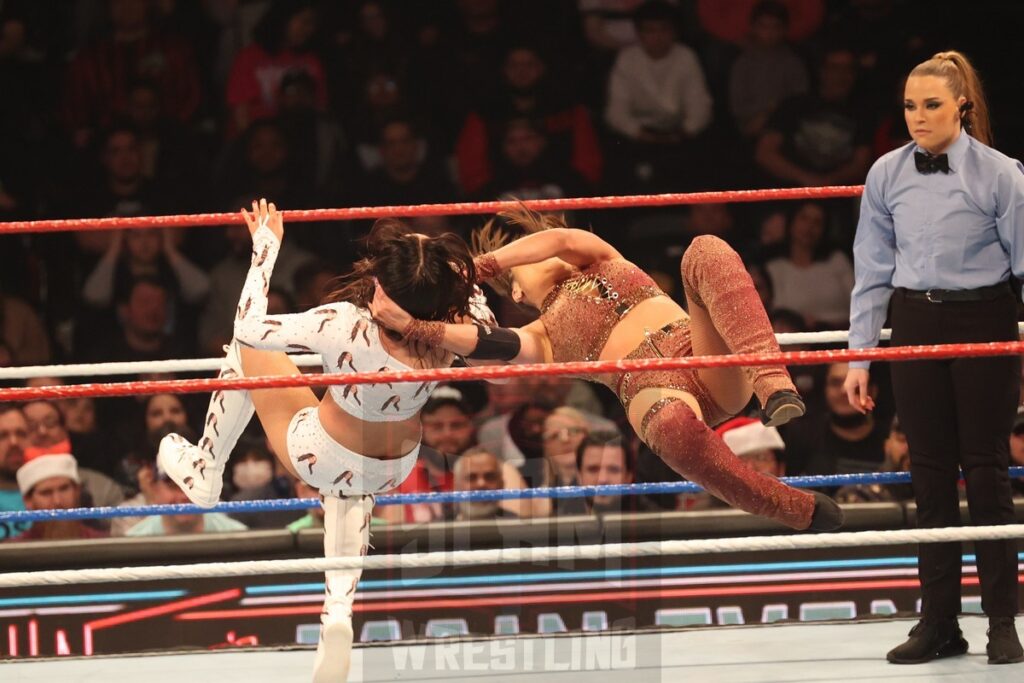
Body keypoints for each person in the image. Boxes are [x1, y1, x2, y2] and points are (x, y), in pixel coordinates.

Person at [156, 199, 492, 681]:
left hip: (321, 452)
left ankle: (207, 468)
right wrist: (471, 286)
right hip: (396, 465)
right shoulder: (454, 332)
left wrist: (265, 248)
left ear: (381, 284)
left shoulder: (342, 322)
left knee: (243, 352)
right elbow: (491, 342)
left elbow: (248, 328)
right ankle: (337, 610)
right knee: (351, 485)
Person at [370, 206, 843, 533]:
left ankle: (775, 385)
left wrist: (479, 265)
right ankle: (791, 507)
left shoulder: (601, 255)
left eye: (532, 249)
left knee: (705, 249)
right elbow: (484, 342)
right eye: (524, 265)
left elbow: (561, 239)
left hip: (701, 353)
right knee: (671, 423)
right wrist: (417, 327)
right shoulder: (541, 338)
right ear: (515, 293)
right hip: (653, 391)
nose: (542, 257)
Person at [845, 51, 1024, 665]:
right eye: (909, 106)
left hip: (985, 316)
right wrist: (859, 358)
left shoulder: (1002, 174)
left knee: (986, 469)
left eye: (931, 105)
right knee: (928, 473)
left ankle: (1004, 620)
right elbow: (871, 270)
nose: (917, 117)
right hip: (914, 318)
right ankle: (939, 622)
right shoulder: (886, 173)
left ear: (962, 107)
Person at [12, 453, 107, 542]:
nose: (57, 501)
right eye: (46, 493)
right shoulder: (12, 552)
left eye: (64, 489)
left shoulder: (103, 543)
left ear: (77, 491)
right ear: (28, 501)